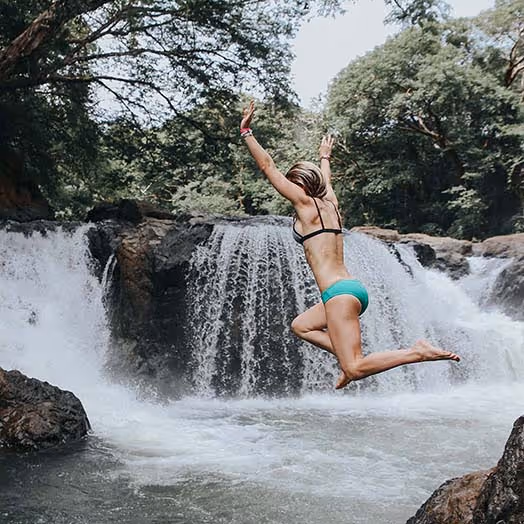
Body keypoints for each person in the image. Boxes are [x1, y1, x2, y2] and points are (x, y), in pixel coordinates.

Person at [240, 100, 460, 389]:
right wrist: (325, 158)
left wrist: (247, 132)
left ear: (299, 187)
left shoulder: (305, 206)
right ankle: (345, 357)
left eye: (293, 185)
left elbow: (268, 166)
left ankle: (416, 352)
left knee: (356, 368)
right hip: (351, 289)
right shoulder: (331, 204)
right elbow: (327, 183)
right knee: (301, 326)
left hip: (338, 295)